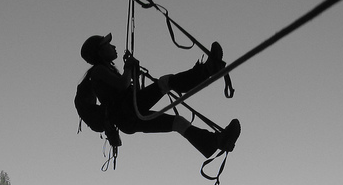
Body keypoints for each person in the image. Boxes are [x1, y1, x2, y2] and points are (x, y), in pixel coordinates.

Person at [78, 33, 241, 157]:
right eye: (108, 45)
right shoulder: (98, 71)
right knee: (166, 82)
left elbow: (127, 90)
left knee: (177, 122)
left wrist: (132, 71)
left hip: (128, 117)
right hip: (128, 112)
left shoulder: (103, 72)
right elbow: (123, 85)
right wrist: (128, 68)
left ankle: (214, 142)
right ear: (99, 52)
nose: (113, 47)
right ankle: (208, 69)